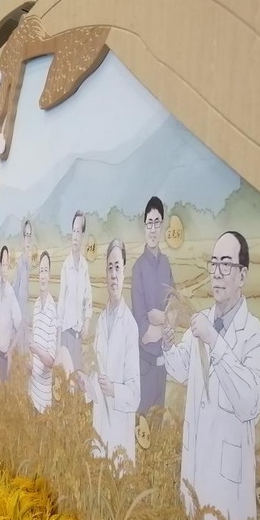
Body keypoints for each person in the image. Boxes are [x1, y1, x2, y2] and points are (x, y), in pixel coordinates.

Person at [163, 231, 260, 520]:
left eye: (226, 264)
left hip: (227, 488)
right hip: (194, 472)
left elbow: (249, 402)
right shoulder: (202, 322)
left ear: (243, 275)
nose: (217, 272)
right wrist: (168, 345)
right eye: (214, 263)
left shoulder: (256, 338)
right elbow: (181, 369)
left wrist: (215, 340)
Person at [79, 240, 140, 464]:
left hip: (119, 433)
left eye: (118, 268)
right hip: (100, 426)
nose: (113, 275)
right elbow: (97, 373)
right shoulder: (102, 321)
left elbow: (134, 394)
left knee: (118, 475)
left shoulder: (130, 326)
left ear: (124, 273)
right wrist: (87, 384)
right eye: (110, 268)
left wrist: (113, 389)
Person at [131, 196, 174, 415]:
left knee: (158, 423)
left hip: (163, 365)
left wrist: (160, 317)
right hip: (144, 365)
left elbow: (174, 311)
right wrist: (163, 323)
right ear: (144, 226)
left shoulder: (166, 264)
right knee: (142, 425)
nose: (153, 229)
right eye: (149, 223)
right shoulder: (138, 268)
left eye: (157, 222)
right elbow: (145, 333)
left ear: (162, 225)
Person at [58, 211, 93, 372]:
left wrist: (87, 320)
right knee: (66, 376)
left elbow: (88, 296)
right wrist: (59, 334)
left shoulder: (84, 266)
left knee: (77, 377)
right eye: (73, 231)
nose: (75, 236)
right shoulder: (66, 266)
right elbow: (61, 300)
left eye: (78, 231)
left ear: (82, 235)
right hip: (67, 333)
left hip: (78, 336)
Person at [29, 251, 57, 412]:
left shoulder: (53, 310)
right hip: (32, 391)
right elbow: (34, 343)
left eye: (46, 271)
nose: (43, 275)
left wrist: (36, 351)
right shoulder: (36, 305)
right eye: (41, 271)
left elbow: (51, 361)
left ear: (50, 275)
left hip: (44, 399)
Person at [0, 246, 21, 381]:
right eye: (2, 264)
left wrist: (10, 350)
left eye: (6, 264)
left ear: (9, 266)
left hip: (4, 356)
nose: (4, 268)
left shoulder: (10, 294)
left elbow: (20, 326)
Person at [12, 219, 33, 353]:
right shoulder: (20, 263)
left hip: (28, 317)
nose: (28, 240)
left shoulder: (32, 262)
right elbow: (15, 290)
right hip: (20, 317)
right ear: (23, 238)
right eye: (26, 235)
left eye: (30, 235)